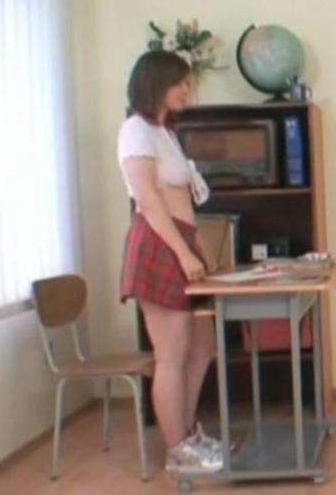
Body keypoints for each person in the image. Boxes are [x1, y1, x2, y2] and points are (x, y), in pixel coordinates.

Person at [117, 50, 222, 474]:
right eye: (180, 82)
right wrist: (182, 251)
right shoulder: (136, 130)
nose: (187, 90)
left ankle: (187, 434)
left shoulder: (165, 131)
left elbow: (182, 197)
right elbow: (147, 199)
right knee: (172, 355)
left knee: (203, 347)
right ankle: (176, 449)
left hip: (182, 242)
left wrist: (200, 248)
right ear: (156, 83)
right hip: (160, 246)